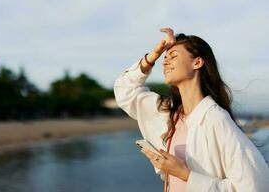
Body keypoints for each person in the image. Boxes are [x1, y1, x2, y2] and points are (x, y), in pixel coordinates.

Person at [113, 27, 269, 192]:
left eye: (173, 56)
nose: (165, 62)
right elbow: (125, 90)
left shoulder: (215, 118)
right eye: (164, 58)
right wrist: (153, 56)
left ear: (197, 62)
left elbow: (256, 186)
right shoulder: (167, 113)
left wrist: (184, 173)